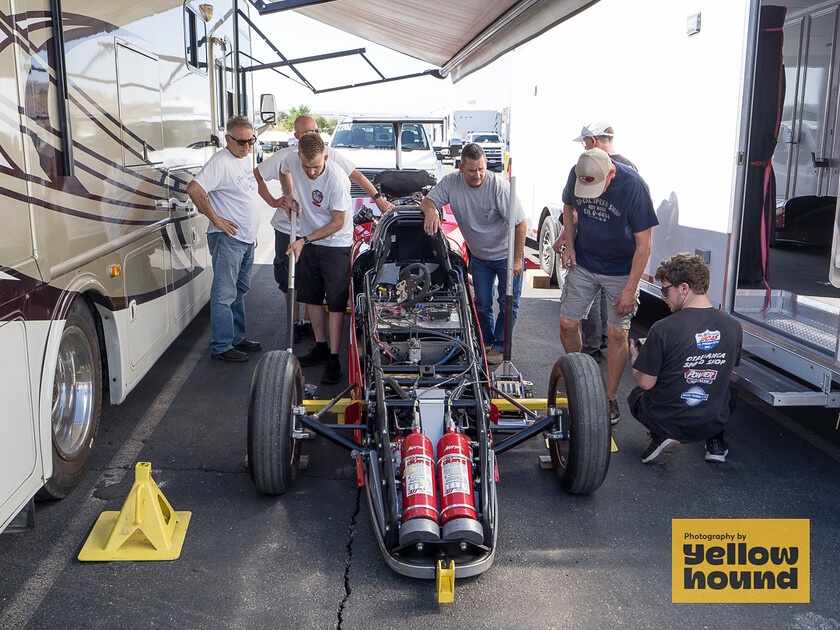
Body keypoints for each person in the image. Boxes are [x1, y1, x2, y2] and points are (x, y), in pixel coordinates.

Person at [255, 116, 394, 343]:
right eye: (308, 132)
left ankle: (311, 327)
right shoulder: (288, 156)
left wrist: (377, 198)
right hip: (290, 225)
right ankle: (295, 323)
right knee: (291, 278)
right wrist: (281, 198)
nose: (314, 135)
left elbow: (355, 177)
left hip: (322, 235)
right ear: (297, 139)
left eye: (316, 130)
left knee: (323, 291)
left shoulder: (330, 162)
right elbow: (268, 171)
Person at [559, 148, 657, 423]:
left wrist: (630, 288)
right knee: (567, 324)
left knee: (617, 334)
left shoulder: (634, 187)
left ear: (611, 172)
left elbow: (645, 244)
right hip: (585, 261)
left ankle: (610, 398)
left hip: (621, 269)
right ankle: (581, 381)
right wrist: (568, 241)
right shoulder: (579, 172)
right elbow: (568, 206)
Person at [628, 253, 743, 464]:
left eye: (665, 290)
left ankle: (661, 437)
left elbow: (646, 382)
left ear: (684, 288)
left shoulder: (663, 328)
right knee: (727, 390)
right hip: (713, 419)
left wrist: (637, 362)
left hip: (670, 421)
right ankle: (715, 442)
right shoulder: (733, 326)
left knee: (636, 395)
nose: (662, 297)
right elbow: (726, 369)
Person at [421, 143, 526, 364]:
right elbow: (429, 200)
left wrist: (517, 259)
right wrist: (431, 210)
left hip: (506, 255)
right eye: (472, 170)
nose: (477, 175)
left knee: (508, 303)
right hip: (479, 256)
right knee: (482, 303)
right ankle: (486, 342)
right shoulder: (451, 182)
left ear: (486, 165)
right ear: (461, 167)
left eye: (481, 169)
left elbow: (520, 224)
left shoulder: (499, 188)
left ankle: (499, 346)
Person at [187, 115, 263, 362]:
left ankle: (236, 338)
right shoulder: (220, 162)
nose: (246, 146)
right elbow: (194, 189)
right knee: (224, 294)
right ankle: (222, 346)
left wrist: (251, 234)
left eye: (250, 140)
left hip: (244, 239)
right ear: (228, 139)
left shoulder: (241, 159)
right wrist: (216, 219)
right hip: (228, 239)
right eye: (241, 141)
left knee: (239, 291)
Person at [279, 132, 352, 384]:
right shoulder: (292, 160)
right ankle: (320, 346)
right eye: (306, 167)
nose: (311, 172)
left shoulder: (337, 180)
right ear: (299, 156)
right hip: (308, 239)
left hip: (335, 243)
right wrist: (288, 195)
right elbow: (283, 170)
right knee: (311, 296)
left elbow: (338, 223)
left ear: (326, 158)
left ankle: (334, 358)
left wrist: (305, 240)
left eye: (316, 167)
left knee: (335, 301)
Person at [573, 123, 638, 363]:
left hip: (606, 254)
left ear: (592, 141)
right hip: (610, 253)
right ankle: (597, 345)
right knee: (604, 305)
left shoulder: (621, 170)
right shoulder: (630, 165)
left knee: (596, 305)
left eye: (584, 143)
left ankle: (591, 352)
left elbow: (589, 209)